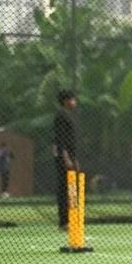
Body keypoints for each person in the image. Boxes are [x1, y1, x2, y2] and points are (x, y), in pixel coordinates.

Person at [52, 89, 79, 230]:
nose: (75, 101)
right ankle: (64, 221)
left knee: (73, 188)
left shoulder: (69, 115)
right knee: (64, 188)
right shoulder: (61, 116)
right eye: (72, 99)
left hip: (71, 156)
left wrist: (74, 159)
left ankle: (73, 217)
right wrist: (66, 158)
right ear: (66, 101)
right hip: (64, 158)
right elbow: (60, 139)